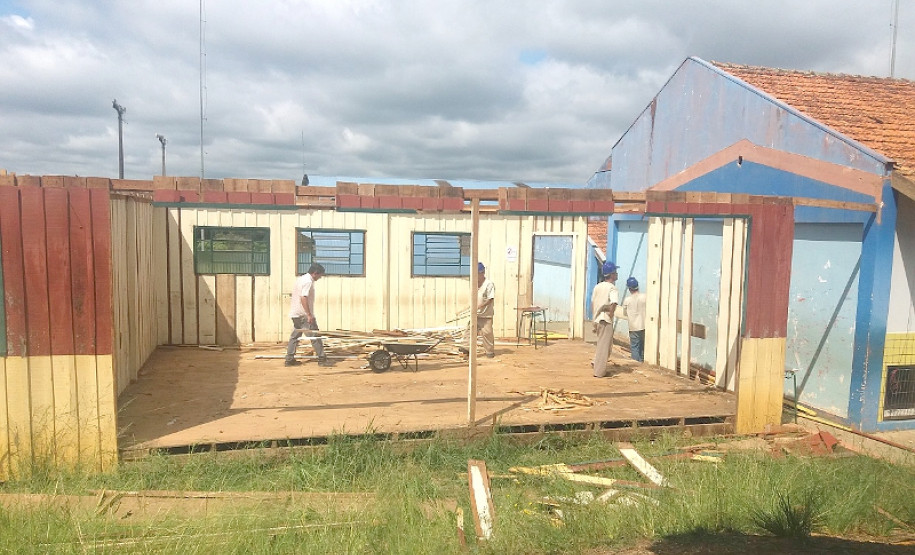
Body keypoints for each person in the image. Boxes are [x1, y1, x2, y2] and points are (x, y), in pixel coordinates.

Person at [285, 263, 332, 367]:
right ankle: (322, 359)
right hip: (303, 315)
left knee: (295, 336)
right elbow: (303, 297)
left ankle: (289, 359)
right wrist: (309, 314)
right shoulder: (308, 281)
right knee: (315, 336)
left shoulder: (301, 279)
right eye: (320, 275)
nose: (320, 278)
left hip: (295, 313)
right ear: (315, 273)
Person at [591, 261, 620, 377]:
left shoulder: (598, 286)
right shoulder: (612, 288)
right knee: (604, 345)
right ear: (612, 274)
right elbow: (613, 303)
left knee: (604, 344)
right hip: (605, 319)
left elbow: (593, 304)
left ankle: (595, 362)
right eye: (615, 272)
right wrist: (611, 315)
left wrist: (594, 318)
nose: (617, 274)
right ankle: (599, 372)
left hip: (597, 318)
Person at [621, 277, 647, 362]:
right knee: (642, 346)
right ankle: (642, 362)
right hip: (644, 325)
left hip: (633, 327)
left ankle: (636, 363)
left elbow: (624, 313)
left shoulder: (627, 300)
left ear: (629, 288)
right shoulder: (645, 297)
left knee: (635, 347)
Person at [476, 262, 496, 358]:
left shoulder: (489, 284)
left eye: (477, 274)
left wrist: (481, 305)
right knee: (469, 331)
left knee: (487, 333)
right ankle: (466, 348)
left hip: (486, 314)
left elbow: (490, 298)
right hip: (475, 314)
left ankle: (489, 351)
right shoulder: (474, 283)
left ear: (482, 273)